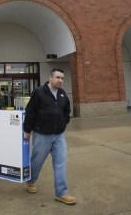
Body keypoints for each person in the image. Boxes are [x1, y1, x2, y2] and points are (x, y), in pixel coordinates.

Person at [23, 68, 76, 205]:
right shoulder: (39, 92)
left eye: (62, 78)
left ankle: (61, 193)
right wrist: (27, 131)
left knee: (61, 163)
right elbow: (30, 112)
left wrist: (64, 123)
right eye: (58, 77)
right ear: (50, 78)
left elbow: (67, 111)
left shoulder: (63, 94)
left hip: (59, 135)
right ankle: (31, 181)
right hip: (42, 135)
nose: (60, 80)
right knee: (37, 161)